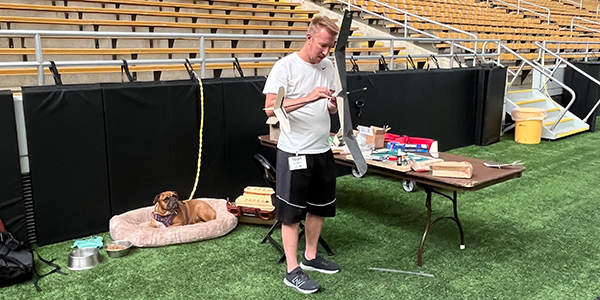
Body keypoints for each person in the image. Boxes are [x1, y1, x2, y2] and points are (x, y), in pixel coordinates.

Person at [263, 15, 341, 294]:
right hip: (294, 149)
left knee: (319, 207)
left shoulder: (328, 65)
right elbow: (271, 108)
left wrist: (331, 106)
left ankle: (310, 257)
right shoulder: (285, 67)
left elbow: (329, 108)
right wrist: (309, 96)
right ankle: (292, 270)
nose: (326, 51)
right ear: (309, 38)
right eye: (322, 45)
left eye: (330, 46)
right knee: (291, 213)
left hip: (322, 148)